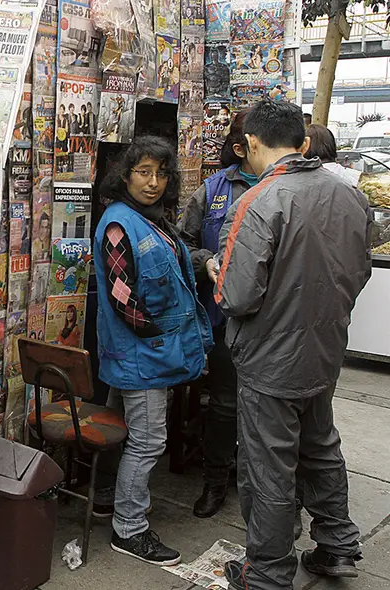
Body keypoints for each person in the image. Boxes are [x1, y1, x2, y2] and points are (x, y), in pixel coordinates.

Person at [217, 100, 370, 590]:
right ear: (302, 143)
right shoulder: (349, 195)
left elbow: (237, 296)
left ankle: (266, 571)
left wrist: (215, 272)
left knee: (269, 466)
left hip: (269, 362)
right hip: (324, 351)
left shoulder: (258, 201)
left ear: (254, 145)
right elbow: (360, 271)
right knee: (321, 445)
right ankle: (337, 544)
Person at [93, 136, 213, 567]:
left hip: (147, 354)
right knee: (147, 443)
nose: (153, 182)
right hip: (142, 356)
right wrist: (160, 336)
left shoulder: (155, 220)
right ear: (125, 176)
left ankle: (107, 500)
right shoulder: (118, 224)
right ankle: (130, 529)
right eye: (143, 172)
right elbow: (123, 298)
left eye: (161, 173)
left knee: (122, 433)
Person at [177, 111, 257, 520]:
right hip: (224, 319)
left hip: (275, 326)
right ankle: (214, 482)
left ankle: (268, 489)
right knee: (225, 405)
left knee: (271, 410)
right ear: (242, 146)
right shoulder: (214, 189)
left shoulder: (287, 189)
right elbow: (181, 241)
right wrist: (205, 260)